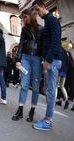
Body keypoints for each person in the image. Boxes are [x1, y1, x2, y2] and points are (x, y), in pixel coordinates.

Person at [32, 0, 62, 131]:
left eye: (38, 10)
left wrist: (48, 60)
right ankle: (47, 119)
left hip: (53, 61)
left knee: (50, 91)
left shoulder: (52, 20)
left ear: (43, 7)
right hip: (51, 60)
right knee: (48, 90)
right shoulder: (48, 21)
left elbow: (56, 42)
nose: (37, 14)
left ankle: (48, 121)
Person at [12, 8, 43, 122]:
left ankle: (32, 110)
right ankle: (20, 110)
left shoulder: (41, 29)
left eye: (25, 17)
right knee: (24, 85)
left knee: (35, 87)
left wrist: (45, 60)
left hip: (37, 59)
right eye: (22, 18)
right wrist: (18, 59)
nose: (24, 20)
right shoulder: (24, 29)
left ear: (31, 16)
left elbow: (44, 45)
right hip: (25, 58)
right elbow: (20, 45)